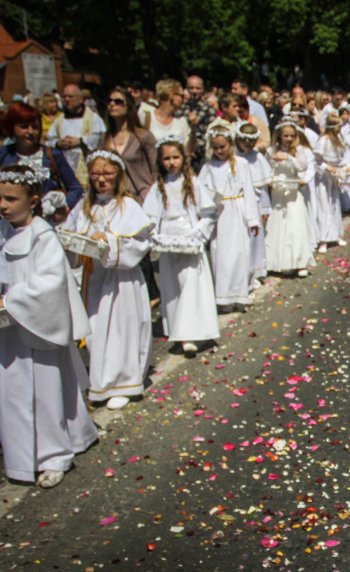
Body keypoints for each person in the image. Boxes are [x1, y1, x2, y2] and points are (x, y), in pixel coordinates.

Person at [0, 164, 98, 488]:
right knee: (13, 394)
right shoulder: (4, 233)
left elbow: (52, 282)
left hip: (39, 326)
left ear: (33, 200)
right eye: (0, 198)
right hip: (10, 331)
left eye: (11, 199)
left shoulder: (43, 235)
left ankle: (54, 455)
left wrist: (12, 299)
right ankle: (22, 458)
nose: (3, 205)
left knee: (46, 392)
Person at [61, 150, 154, 411]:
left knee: (123, 328)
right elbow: (72, 237)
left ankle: (125, 381)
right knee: (97, 329)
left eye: (107, 174)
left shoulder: (128, 206)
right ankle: (102, 380)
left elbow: (141, 242)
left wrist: (110, 241)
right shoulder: (84, 206)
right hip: (94, 278)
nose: (101, 179)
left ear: (118, 175)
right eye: (96, 174)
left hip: (122, 279)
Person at [142, 137, 219, 357]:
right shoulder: (159, 186)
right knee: (172, 286)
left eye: (175, 157)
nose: (171, 162)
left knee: (190, 285)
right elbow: (150, 214)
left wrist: (197, 234)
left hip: (188, 236)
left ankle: (191, 334)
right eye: (166, 158)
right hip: (168, 240)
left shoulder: (192, 182)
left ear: (183, 158)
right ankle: (178, 330)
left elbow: (208, 212)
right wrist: (153, 232)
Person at [198, 121, 261, 311]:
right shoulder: (208, 167)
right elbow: (200, 190)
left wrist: (252, 218)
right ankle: (224, 297)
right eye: (215, 147)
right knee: (221, 255)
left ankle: (240, 295)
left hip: (237, 211)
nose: (219, 151)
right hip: (220, 214)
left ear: (231, 145)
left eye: (222, 146)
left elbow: (248, 191)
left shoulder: (240, 164)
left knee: (240, 254)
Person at [0, 102, 83, 216]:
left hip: (46, 221)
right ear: (12, 128)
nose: (30, 132)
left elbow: (76, 188)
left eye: (35, 127)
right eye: (24, 127)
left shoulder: (52, 154)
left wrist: (64, 207)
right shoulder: (3, 154)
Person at [265, 120, 315, 277]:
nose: (289, 139)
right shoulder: (271, 150)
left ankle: (299, 261)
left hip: (293, 190)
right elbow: (266, 168)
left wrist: (289, 158)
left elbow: (302, 167)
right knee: (277, 224)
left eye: (292, 136)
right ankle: (274, 261)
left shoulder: (299, 151)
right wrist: (270, 179)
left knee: (295, 224)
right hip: (278, 190)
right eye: (286, 135)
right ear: (279, 135)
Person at [102, 86, 157, 202]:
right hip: (116, 201)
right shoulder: (104, 139)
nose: (112, 104)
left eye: (118, 102)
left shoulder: (144, 137)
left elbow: (156, 169)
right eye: (109, 101)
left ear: (128, 107)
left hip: (143, 198)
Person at [45, 83, 106, 187]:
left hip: (87, 169)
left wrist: (80, 141)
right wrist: (58, 143)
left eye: (70, 96)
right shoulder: (59, 121)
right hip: (65, 169)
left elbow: (100, 138)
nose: (67, 99)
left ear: (81, 99)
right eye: (64, 97)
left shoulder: (93, 118)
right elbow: (48, 140)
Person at [235, 122, 272, 290]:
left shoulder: (258, 158)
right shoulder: (234, 157)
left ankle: (257, 270)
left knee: (256, 238)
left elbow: (263, 186)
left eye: (251, 143)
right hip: (238, 202)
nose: (248, 146)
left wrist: (265, 208)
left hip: (255, 203)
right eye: (245, 142)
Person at [313, 114, 349, 253]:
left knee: (335, 204)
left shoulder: (339, 139)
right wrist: (328, 168)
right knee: (324, 205)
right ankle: (323, 238)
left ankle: (336, 234)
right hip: (323, 177)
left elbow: (342, 158)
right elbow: (317, 160)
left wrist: (345, 168)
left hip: (335, 175)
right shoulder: (323, 140)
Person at [142, 79, 191, 151]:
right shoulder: (145, 117)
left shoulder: (182, 122)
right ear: (171, 96)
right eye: (181, 96)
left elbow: (187, 150)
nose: (184, 99)